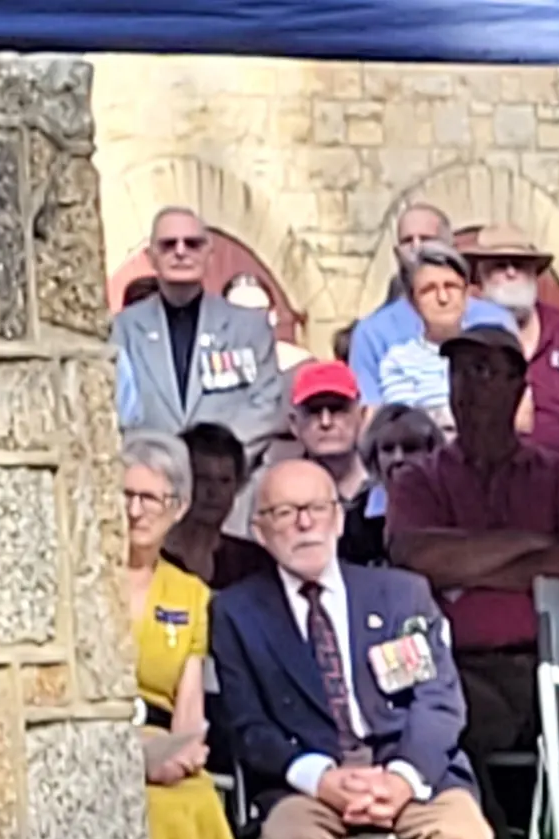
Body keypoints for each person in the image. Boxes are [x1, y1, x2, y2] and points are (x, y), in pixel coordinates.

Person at [213, 458, 494, 839]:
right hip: (307, 782)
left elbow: (436, 700)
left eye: (317, 508)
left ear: (339, 519)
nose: (305, 523)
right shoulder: (237, 614)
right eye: (285, 513)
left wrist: (401, 778)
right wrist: (321, 778)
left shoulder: (400, 595)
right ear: (259, 532)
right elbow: (246, 726)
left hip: (408, 770)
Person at [382, 323, 559, 797]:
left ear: (518, 389)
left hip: (552, 663)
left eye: (484, 372)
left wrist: (471, 564)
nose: (467, 387)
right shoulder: (419, 481)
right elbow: (416, 558)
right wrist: (531, 542)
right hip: (455, 664)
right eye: (458, 373)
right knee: (444, 719)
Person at [120, 434, 252, 839]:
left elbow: (189, 700)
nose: (135, 511)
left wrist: (186, 750)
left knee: (195, 800)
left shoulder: (191, 594)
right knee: (150, 809)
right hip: (99, 739)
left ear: (177, 508)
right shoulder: (85, 580)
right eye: (124, 495)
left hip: (160, 739)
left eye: (149, 498)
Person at [116, 205, 289, 446]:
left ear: (209, 252)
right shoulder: (123, 330)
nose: (180, 252)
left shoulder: (250, 328)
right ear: (150, 256)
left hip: (232, 472)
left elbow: (267, 406)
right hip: (152, 472)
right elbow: (116, 413)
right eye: (168, 244)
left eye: (192, 244)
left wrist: (212, 455)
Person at [472, 235, 559, 469]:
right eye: (500, 266)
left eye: (520, 265)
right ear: (480, 276)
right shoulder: (468, 338)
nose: (511, 273)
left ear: (535, 273)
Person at [364, 243, 513, 421]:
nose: (442, 298)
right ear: (413, 303)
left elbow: (516, 420)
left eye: (451, 287)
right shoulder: (399, 362)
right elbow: (406, 425)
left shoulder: (493, 355)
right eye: (429, 290)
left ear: (466, 295)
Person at [164, 421, 267, 588]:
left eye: (225, 481)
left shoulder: (254, 563)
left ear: (238, 484)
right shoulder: (149, 555)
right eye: (202, 478)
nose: (214, 491)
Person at [284, 357, 372, 545]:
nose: (326, 422)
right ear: (293, 424)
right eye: (313, 411)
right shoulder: (281, 494)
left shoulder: (388, 486)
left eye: (338, 409)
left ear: (362, 415)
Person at [350, 403, 443, 566]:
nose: (398, 458)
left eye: (410, 448)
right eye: (388, 449)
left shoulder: (448, 505)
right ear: (374, 455)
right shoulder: (354, 517)